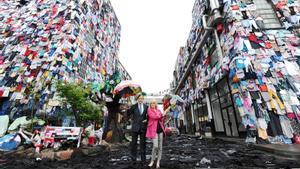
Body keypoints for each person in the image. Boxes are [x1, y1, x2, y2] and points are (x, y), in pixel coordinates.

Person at [146, 100, 168, 168]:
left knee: (160, 147)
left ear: (156, 104)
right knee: (155, 146)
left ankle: (158, 161)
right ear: (150, 104)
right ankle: (152, 160)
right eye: (152, 103)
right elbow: (154, 117)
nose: (153, 104)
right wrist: (161, 114)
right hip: (153, 130)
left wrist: (163, 114)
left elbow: (161, 118)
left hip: (160, 129)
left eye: (154, 103)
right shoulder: (149, 110)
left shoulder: (158, 110)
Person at [127, 93, 148, 163]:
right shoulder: (133, 106)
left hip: (143, 127)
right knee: (133, 144)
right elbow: (128, 114)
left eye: (142, 98)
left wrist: (147, 120)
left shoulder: (146, 107)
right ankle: (133, 159)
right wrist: (128, 108)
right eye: (139, 98)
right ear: (137, 99)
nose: (140, 100)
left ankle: (143, 159)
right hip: (135, 127)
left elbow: (148, 116)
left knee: (143, 144)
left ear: (143, 99)